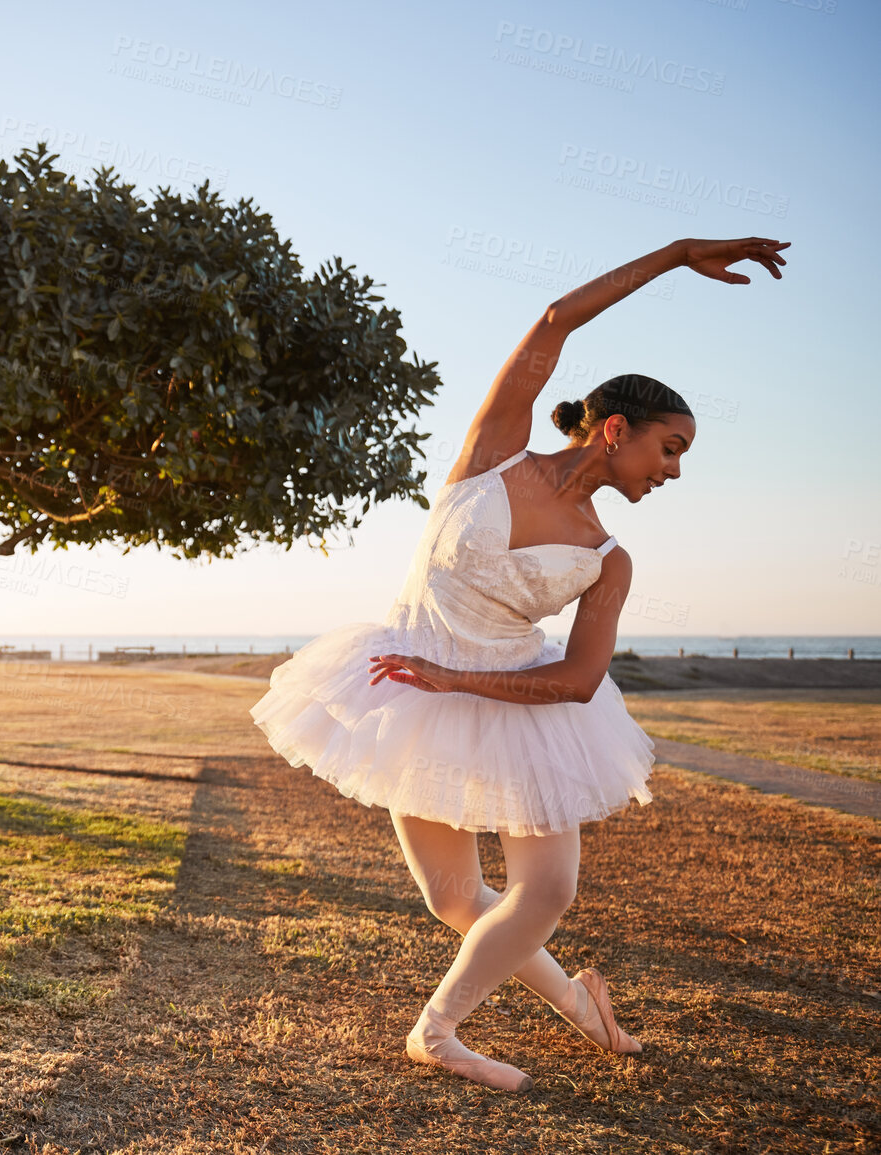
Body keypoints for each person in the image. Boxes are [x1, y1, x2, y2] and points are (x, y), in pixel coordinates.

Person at [249, 236, 790, 1092]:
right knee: (455, 897)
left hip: (512, 698)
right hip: (405, 678)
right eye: (670, 447)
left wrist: (459, 680)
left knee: (544, 889)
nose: (674, 470)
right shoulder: (495, 452)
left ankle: (436, 1028)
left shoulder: (608, 558)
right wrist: (680, 254)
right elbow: (553, 320)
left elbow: (577, 681)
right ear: (615, 430)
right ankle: (579, 1002)